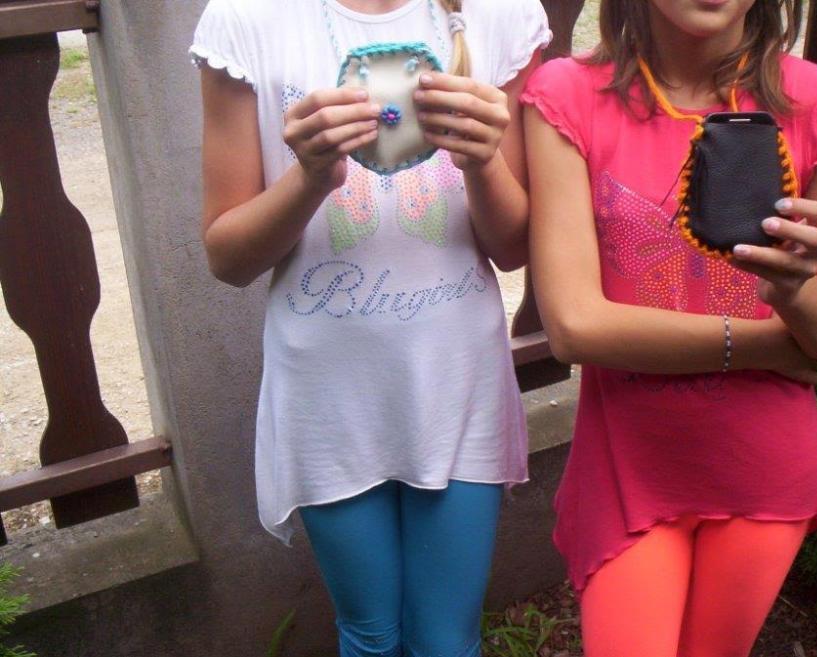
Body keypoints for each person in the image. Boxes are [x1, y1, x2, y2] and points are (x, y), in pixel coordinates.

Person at [189, 1, 551, 655]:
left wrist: (482, 162)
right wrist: (309, 178)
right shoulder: (249, 18)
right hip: (328, 399)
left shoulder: (499, 12)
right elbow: (228, 257)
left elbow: (513, 247)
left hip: (456, 385)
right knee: (371, 635)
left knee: (446, 641)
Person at [522, 1, 817, 655]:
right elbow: (574, 326)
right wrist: (770, 343)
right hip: (630, 466)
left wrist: (796, 291)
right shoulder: (569, 95)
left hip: (763, 468)